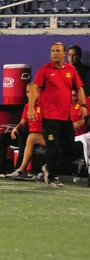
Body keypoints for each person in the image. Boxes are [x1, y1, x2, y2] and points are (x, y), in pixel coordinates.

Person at [28, 42, 87, 188]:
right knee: (53, 147)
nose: (55, 53)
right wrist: (30, 108)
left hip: (65, 117)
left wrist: (83, 105)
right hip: (49, 117)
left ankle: (49, 167)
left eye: (58, 51)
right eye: (53, 51)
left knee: (70, 149)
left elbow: (79, 88)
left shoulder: (71, 70)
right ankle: (53, 177)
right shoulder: (44, 70)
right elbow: (35, 89)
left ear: (64, 53)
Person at [4, 84, 45, 179]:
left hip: (43, 134)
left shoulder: (44, 105)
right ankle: (2, 169)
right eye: (27, 92)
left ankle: (21, 169)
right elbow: (22, 122)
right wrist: (16, 128)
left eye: (31, 92)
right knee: (3, 137)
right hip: (31, 132)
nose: (29, 94)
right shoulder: (27, 106)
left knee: (29, 137)